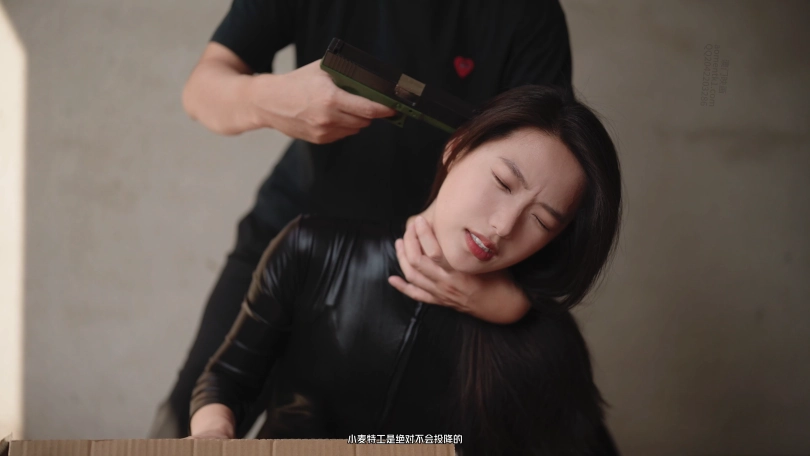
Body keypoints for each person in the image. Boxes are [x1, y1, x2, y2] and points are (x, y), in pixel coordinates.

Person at [150, 0, 577, 438]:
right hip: (297, 227)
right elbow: (200, 91)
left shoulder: (528, 15)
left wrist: (512, 303)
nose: (508, 223)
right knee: (191, 415)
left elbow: (549, 158)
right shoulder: (297, 246)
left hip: (438, 265)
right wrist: (267, 99)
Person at [187, 85, 623, 455]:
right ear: (458, 147)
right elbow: (227, 379)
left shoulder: (543, 338)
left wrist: (523, 319)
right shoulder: (311, 248)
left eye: (542, 221)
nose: (504, 226)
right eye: (503, 183)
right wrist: (213, 435)